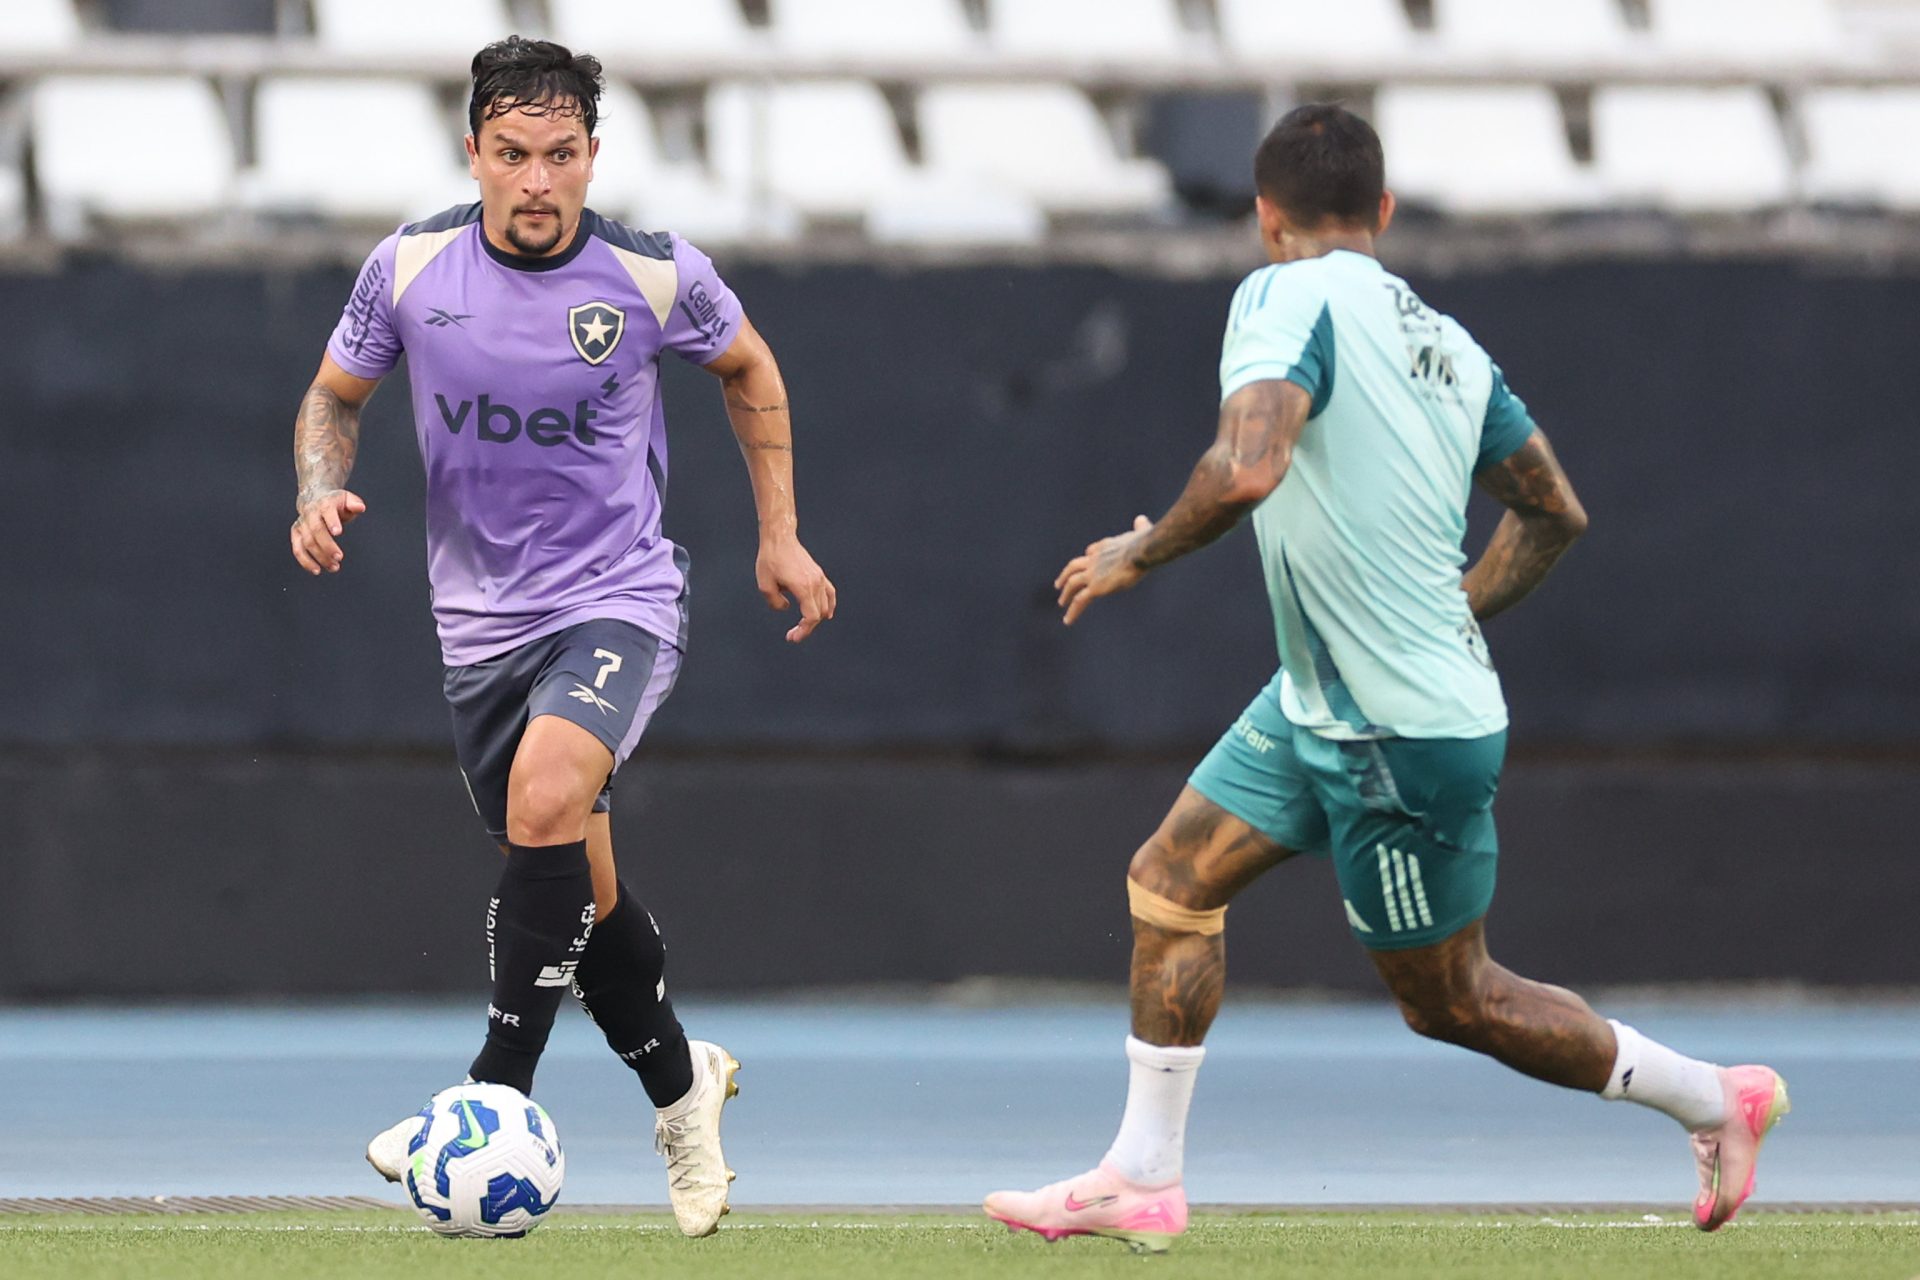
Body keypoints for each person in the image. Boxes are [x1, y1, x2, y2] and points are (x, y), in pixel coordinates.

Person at [983, 104, 1785, 1254]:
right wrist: (1447, 608)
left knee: (1453, 1000)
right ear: (1386, 214)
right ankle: (1142, 1175)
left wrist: (1138, 547)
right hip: (1328, 698)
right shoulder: (1453, 346)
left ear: (1266, 220)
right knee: (1169, 879)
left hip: (1396, 732)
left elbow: (1249, 466)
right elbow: (1553, 512)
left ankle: (1716, 1096)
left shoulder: (1280, 294)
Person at [288, 37, 835, 1237]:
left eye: (562, 155)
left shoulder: (651, 276)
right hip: (479, 627)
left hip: (615, 599)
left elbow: (748, 367)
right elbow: (335, 395)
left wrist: (778, 535)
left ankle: (488, 1097)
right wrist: (316, 487)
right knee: (571, 882)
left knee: (543, 803)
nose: (537, 182)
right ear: (473, 151)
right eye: (513, 155)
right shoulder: (411, 266)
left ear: (594, 156)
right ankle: (682, 1083)